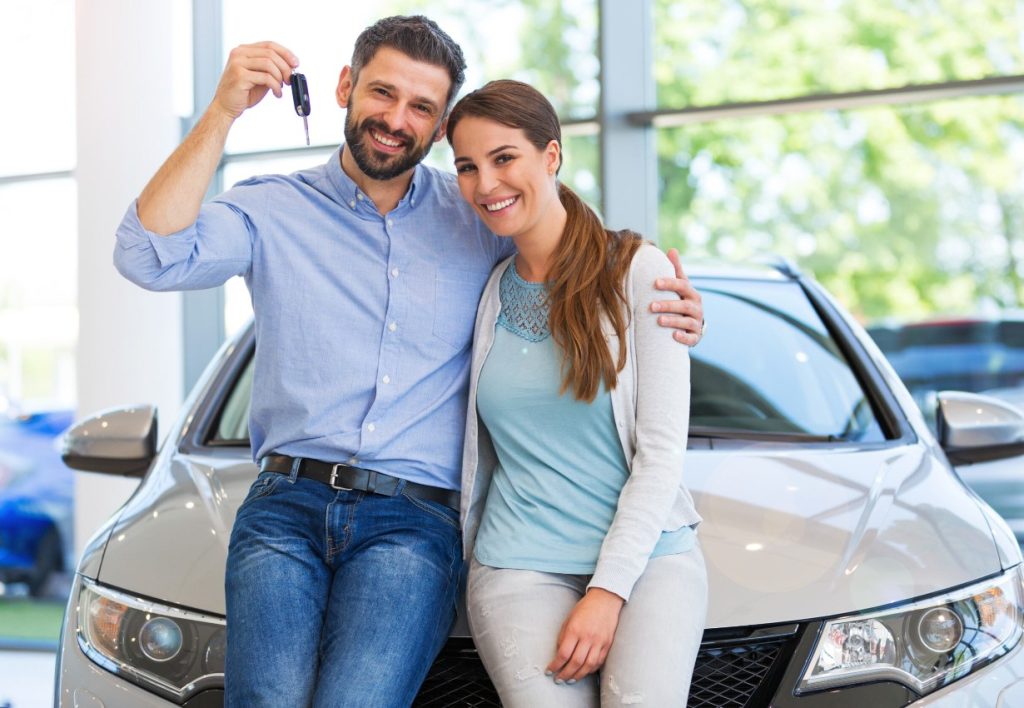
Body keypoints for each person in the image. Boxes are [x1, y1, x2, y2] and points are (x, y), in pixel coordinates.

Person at [113, 15, 704, 707]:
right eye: (382, 94)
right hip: (284, 505)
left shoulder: (476, 217)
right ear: (344, 87)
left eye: (422, 107)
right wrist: (221, 114)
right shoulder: (270, 209)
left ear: (439, 122)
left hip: (412, 520)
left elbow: (574, 265)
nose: (396, 119)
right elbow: (147, 256)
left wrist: (669, 302)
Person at [448, 79, 708, 707]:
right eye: (467, 166)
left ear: (552, 157)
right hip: (517, 562)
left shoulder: (637, 273)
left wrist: (607, 591)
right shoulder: (484, 292)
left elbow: (661, 453)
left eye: (504, 158)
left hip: (649, 563)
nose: (486, 184)